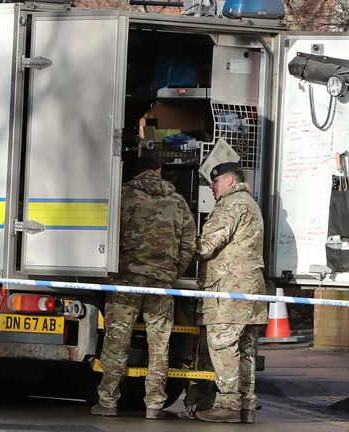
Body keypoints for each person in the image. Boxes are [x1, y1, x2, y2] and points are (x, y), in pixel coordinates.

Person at [91, 155, 197, 420]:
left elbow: (106, 234)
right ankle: (154, 405)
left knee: (117, 343)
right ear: (159, 171)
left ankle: (107, 402)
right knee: (159, 346)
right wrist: (172, 272)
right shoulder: (178, 201)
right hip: (161, 285)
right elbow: (189, 244)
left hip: (126, 281)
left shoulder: (124, 196)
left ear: (134, 173)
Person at [193, 161, 267, 424]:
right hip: (250, 293)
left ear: (230, 181)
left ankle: (228, 404)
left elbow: (206, 246)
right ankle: (246, 404)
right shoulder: (250, 204)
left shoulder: (231, 204)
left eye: (215, 182)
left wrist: (181, 240)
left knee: (223, 346)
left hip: (229, 293)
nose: (211, 187)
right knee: (245, 350)